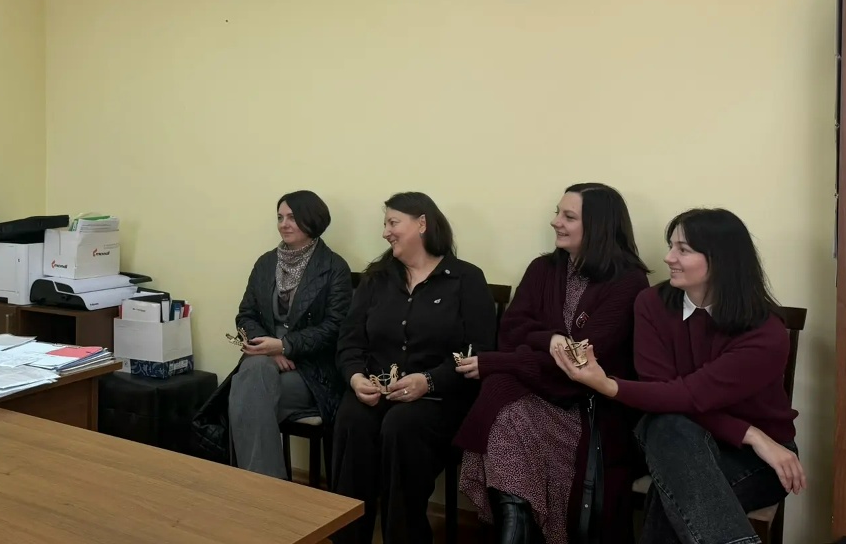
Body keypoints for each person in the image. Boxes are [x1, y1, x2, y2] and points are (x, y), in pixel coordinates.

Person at [551, 208, 804, 544]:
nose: (668, 257)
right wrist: (750, 433)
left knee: (668, 492)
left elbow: (686, 396)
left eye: (683, 250)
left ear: (721, 260)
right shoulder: (652, 303)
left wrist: (608, 386)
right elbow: (663, 393)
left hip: (760, 459)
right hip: (685, 438)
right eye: (671, 246)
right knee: (669, 427)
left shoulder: (765, 333)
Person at [452, 183, 650, 544]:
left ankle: (516, 532)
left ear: (598, 226)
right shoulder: (543, 268)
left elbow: (582, 363)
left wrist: (500, 362)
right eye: (558, 213)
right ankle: (516, 529)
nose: (555, 221)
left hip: (589, 404)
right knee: (504, 405)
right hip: (536, 390)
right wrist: (551, 340)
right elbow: (512, 329)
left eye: (568, 216)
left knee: (506, 409)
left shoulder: (628, 281)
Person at [330, 192, 498, 544]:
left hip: (440, 398)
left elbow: (480, 351)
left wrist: (429, 381)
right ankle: (347, 538)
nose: (385, 232)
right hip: (378, 391)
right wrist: (356, 377)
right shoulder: (377, 278)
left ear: (422, 223)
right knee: (352, 418)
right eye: (385, 224)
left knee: (401, 425)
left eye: (393, 223)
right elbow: (349, 341)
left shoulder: (466, 279)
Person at [227, 190, 353, 479]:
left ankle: (257, 490)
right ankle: (268, 491)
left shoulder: (334, 267)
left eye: (292, 217)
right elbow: (246, 315)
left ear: (312, 219)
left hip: (311, 370)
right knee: (254, 376)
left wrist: (285, 346)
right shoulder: (265, 263)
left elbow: (335, 328)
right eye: (280, 217)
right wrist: (270, 351)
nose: (284, 224)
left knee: (244, 396)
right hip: (265, 362)